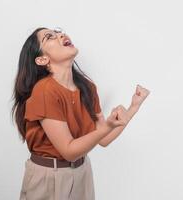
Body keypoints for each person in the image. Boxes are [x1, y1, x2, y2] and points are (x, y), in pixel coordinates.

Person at [10, 27, 150, 200]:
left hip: (82, 172)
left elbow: (104, 139)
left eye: (59, 32)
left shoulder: (87, 88)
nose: (61, 35)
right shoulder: (44, 91)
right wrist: (107, 126)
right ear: (42, 59)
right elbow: (68, 150)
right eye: (50, 37)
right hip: (48, 177)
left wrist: (133, 107)